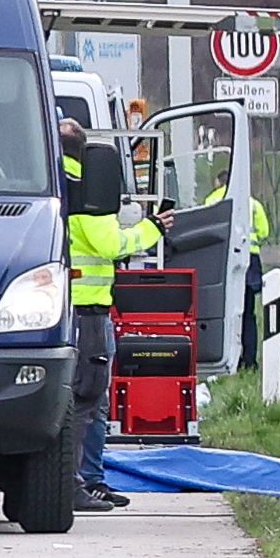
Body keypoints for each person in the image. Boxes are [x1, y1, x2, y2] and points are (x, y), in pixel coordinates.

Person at [57, 120, 160, 512]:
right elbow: (111, 244)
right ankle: (79, 482)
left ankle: (85, 479)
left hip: (62, 309)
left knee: (82, 400)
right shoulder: (89, 190)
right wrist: (151, 230)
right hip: (89, 312)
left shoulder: (49, 183)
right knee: (88, 400)